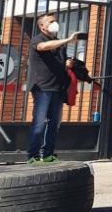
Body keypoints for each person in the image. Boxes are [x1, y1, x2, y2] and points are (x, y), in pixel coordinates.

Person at [27, 13, 80, 165]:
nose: (54, 24)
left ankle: (48, 154)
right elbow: (43, 47)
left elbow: (60, 61)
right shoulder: (37, 40)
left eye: (55, 21)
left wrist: (68, 64)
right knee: (39, 123)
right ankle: (33, 155)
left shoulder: (58, 42)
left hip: (58, 88)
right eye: (50, 22)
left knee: (54, 123)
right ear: (42, 26)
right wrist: (69, 40)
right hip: (42, 87)